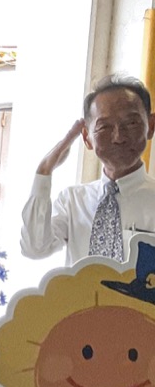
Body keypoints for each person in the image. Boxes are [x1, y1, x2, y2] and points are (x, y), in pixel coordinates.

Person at [21, 73, 155, 266]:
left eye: (131, 123)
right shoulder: (72, 201)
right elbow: (34, 248)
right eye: (104, 127)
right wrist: (44, 172)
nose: (118, 137)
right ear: (87, 137)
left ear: (150, 126)